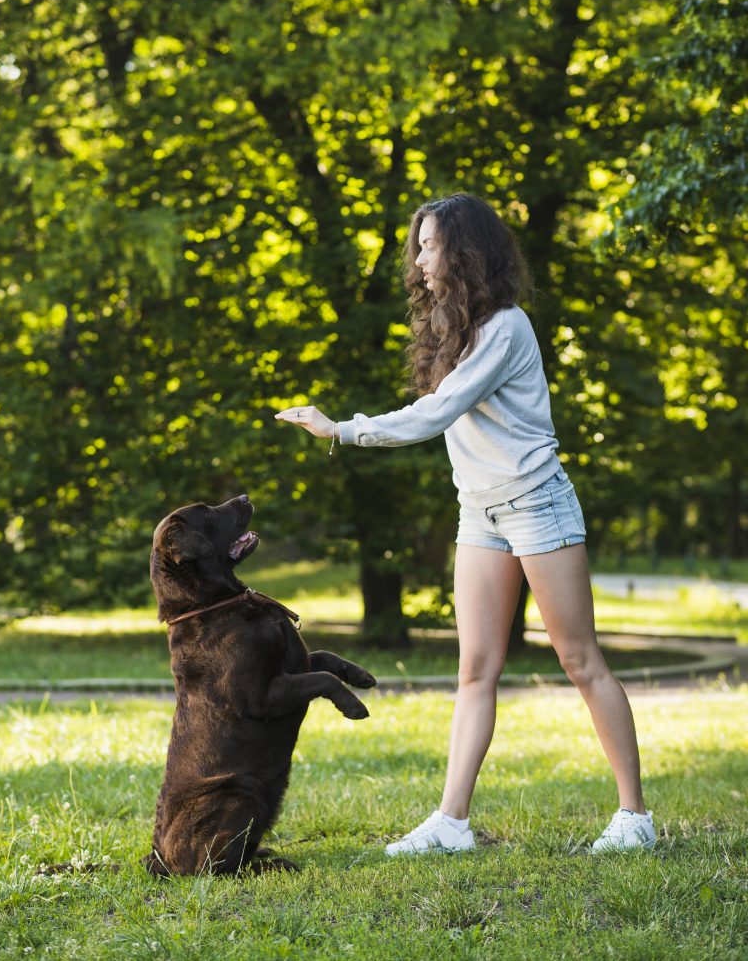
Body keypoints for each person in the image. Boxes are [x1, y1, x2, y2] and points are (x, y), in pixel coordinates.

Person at [276, 193, 655, 856]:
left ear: (465, 251)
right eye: (418, 244)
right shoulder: (456, 330)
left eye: (428, 244)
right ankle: (451, 823)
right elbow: (436, 406)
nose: (417, 258)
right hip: (480, 513)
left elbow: (432, 415)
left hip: (537, 502)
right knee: (475, 669)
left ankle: (634, 818)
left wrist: (340, 430)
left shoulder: (507, 328)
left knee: (579, 659)